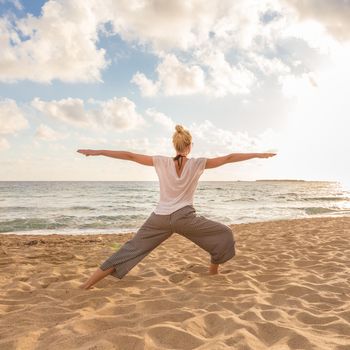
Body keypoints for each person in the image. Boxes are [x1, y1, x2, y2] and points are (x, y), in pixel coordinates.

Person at [77, 124, 276, 289]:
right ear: (189, 146)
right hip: (184, 218)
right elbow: (229, 157)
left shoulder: (160, 161)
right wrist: (258, 155)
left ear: (175, 145)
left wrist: (98, 152)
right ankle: (213, 271)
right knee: (224, 234)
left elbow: (129, 155)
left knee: (130, 249)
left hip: (159, 219)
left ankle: (87, 285)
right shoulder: (198, 163)